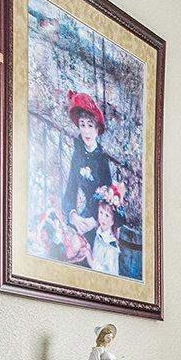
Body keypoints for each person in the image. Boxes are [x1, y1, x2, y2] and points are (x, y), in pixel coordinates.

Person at [61, 92, 117, 252]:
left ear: (97, 129)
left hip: (98, 219)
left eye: (90, 125)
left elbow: (107, 198)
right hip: (81, 217)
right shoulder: (77, 154)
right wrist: (73, 215)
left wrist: (94, 220)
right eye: (82, 125)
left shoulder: (102, 159)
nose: (86, 131)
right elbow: (71, 188)